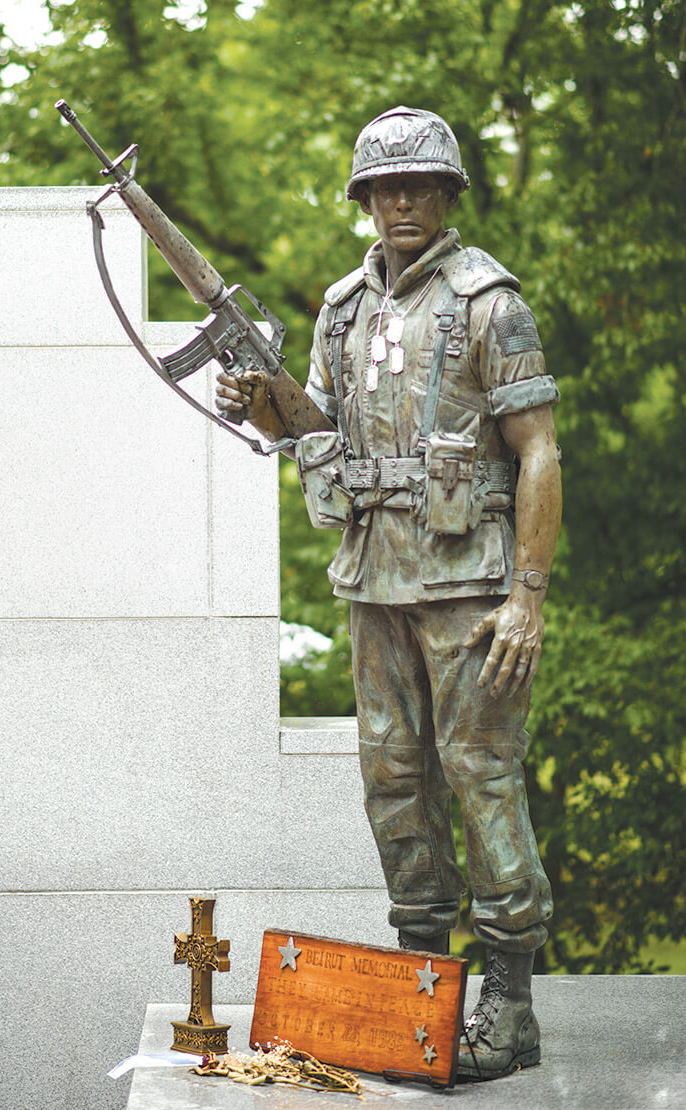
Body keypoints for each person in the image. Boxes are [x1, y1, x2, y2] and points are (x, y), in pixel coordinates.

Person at [215, 106, 562, 1082]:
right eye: (383, 188)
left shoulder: (491, 303)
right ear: (364, 200)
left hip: (469, 586)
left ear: (449, 192)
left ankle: (510, 997)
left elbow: (538, 452)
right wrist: (262, 396)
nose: (401, 201)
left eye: (418, 185)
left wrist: (527, 596)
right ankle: (421, 973)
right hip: (374, 577)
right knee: (393, 783)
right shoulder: (340, 309)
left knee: (480, 774)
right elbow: (319, 428)